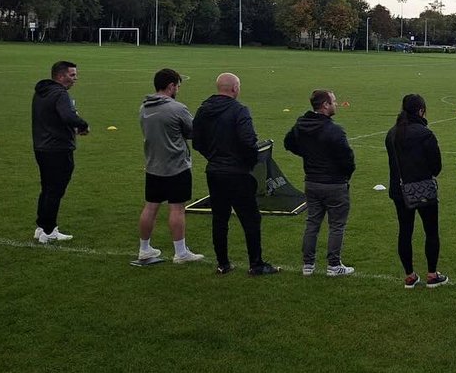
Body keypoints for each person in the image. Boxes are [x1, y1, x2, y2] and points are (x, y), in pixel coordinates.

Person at [192, 73, 279, 276]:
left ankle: (223, 263)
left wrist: (213, 157)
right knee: (250, 218)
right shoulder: (239, 110)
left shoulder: (203, 110)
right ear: (234, 89)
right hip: (237, 173)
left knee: (220, 218)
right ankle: (256, 264)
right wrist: (248, 163)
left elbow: (196, 141)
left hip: (214, 171)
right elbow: (249, 142)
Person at [284, 89, 357, 277]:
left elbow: (289, 143)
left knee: (312, 223)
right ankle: (334, 265)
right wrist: (344, 175)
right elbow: (348, 160)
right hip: (334, 184)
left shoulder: (302, 125)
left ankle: (308, 265)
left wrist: (308, 154)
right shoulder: (334, 130)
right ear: (325, 105)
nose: (336, 104)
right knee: (336, 225)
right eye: (333, 101)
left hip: (312, 182)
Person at [137, 68, 204, 263]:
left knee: (150, 207)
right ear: (171, 86)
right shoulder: (177, 108)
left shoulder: (144, 108)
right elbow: (192, 131)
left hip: (153, 166)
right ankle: (181, 252)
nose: (178, 90)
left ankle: (144, 248)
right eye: (177, 86)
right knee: (177, 208)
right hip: (176, 166)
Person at [384, 93, 447, 288]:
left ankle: (410, 275)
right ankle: (431, 274)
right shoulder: (425, 133)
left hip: (399, 189)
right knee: (431, 231)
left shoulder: (392, 133)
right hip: (422, 188)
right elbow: (436, 166)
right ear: (421, 111)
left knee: (405, 231)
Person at [32, 60, 89, 244]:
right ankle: (49, 231)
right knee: (55, 190)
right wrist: (82, 125)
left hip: (42, 147)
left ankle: (42, 227)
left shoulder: (42, 93)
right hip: (58, 148)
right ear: (60, 75)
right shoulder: (60, 94)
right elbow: (67, 116)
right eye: (72, 75)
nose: (75, 79)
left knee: (47, 188)